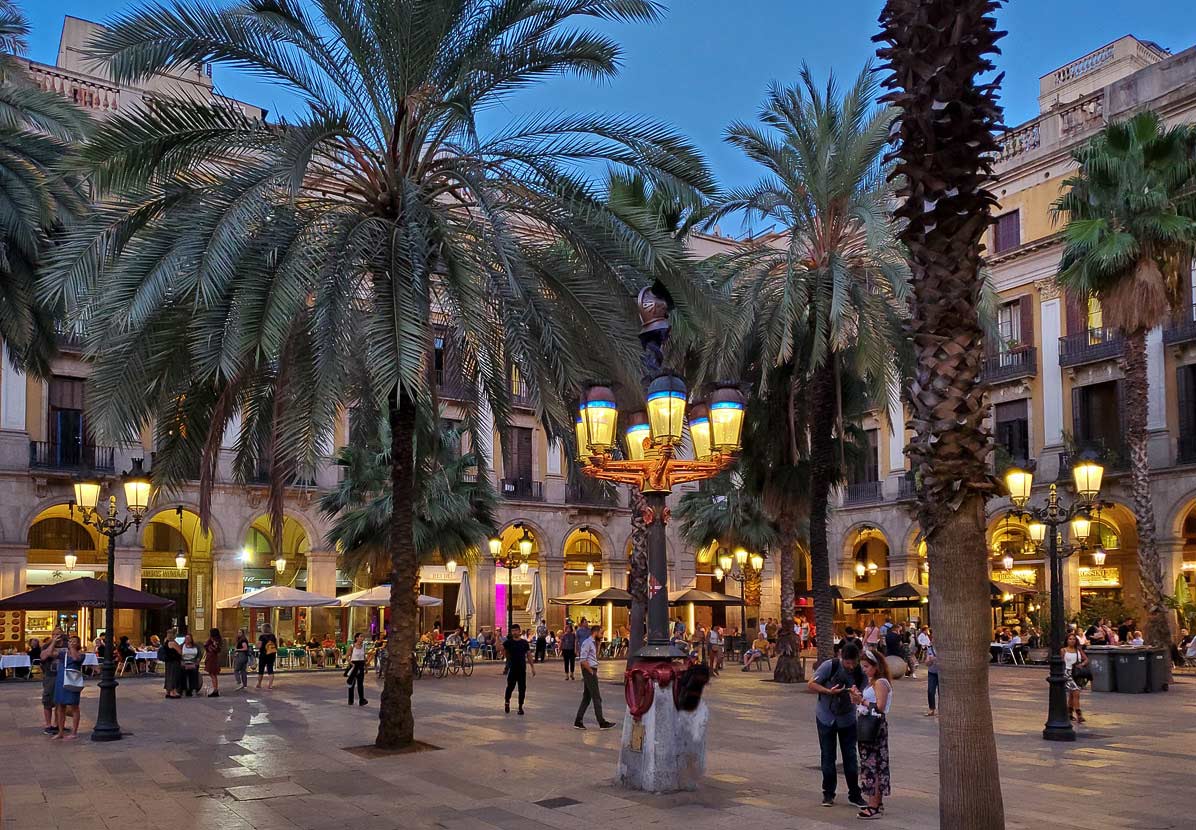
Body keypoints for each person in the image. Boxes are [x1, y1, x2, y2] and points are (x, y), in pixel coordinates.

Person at [807, 642, 866, 809]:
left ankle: (855, 794)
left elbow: (862, 696)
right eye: (848, 663)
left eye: (854, 663)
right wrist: (828, 692)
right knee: (828, 755)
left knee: (850, 756)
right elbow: (811, 684)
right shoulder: (830, 666)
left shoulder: (861, 672)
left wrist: (856, 695)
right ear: (841, 657)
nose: (851, 666)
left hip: (847, 718)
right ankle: (828, 793)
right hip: (826, 717)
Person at [851, 650, 893, 820]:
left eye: (867, 666)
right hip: (868, 724)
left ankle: (873, 805)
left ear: (876, 666)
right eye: (863, 667)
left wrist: (861, 700)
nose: (865, 670)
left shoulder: (881, 683)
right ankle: (876, 802)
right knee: (871, 764)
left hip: (874, 726)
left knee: (873, 765)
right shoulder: (872, 682)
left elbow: (880, 707)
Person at [575, 630, 615, 730]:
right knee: (596, 697)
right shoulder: (587, 643)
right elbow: (583, 660)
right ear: (595, 632)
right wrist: (590, 671)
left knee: (587, 697)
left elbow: (594, 656)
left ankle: (578, 721)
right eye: (601, 633)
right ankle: (601, 722)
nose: (602, 636)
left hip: (591, 669)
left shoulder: (593, 643)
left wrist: (598, 644)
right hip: (589, 670)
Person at [52, 634, 85, 739]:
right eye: (70, 641)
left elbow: (76, 658)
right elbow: (47, 654)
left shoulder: (81, 654)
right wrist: (53, 642)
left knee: (74, 706)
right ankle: (60, 731)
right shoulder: (63, 654)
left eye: (75, 641)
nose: (72, 642)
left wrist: (71, 648)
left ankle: (74, 732)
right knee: (61, 706)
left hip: (73, 682)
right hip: (62, 681)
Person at [503, 624, 534, 715]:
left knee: (522, 688)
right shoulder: (509, 642)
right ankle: (507, 702)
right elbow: (500, 649)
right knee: (510, 687)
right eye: (513, 631)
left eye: (516, 630)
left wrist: (532, 667)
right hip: (512, 668)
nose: (515, 632)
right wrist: (497, 638)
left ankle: (520, 707)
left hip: (522, 669)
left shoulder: (524, 643)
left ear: (519, 631)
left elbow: (528, 655)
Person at [39, 627, 64, 734]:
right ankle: (48, 724)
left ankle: (58, 724)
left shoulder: (67, 645)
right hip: (50, 676)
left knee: (61, 702)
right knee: (48, 700)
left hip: (63, 676)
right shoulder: (46, 645)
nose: (57, 636)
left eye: (59, 634)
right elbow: (44, 656)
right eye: (54, 634)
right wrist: (53, 643)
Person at [1063, 631, 1089, 723]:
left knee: (1072, 694)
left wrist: (1081, 664)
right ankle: (1079, 714)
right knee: (1076, 692)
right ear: (1066, 640)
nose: (1072, 641)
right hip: (1067, 673)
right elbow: (1061, 662)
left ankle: (1069, 713)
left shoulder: (1078, 650)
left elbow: (1086, 659)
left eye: (1074, 639)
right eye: (1070, 639)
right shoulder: (1063, 650)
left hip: (1076, 673)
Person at [346, 633, 367, 706]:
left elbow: (364, 657)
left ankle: (362, 700)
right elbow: (347, 656)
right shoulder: (352, 646)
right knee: (352, 683)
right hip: (354, 665)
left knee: (360, 684)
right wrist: (352, 664)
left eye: (363, 636)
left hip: (361, 665)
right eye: (361, 636)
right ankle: (350, 700)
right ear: (356, 638)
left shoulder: (363, 646)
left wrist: (366, 667)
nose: (362, 638)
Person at [162, 628, 183, 699]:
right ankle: (173, 692)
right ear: (174, 635)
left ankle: (168, 691)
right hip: (174, 661)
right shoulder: (173, 643)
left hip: (168, 662)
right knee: (174, 676)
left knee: (168, 675)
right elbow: (180, 652)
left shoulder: (166, 641)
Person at [257, 624, 278, 689]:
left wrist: (257, 645)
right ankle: (270, 685)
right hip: (271, 654)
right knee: (270, 669)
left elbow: (259, 646)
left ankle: (259, 684)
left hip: (263, 654)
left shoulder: (261, 636)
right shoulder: (273, 636)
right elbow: (276, 645)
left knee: (261, 670)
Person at [203, 628, 223, 697]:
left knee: (212, 674)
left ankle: (215, 690)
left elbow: (209, 647)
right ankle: (215, 689)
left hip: (212, 658)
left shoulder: (214, 640)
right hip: (213, 657)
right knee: (213, 674)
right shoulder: (217, 640)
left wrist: (210, 647)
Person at [924, 629, 939, 716]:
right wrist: (929, 661)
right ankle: (931, 708)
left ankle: (942, 709)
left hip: (941, 673)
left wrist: (936, 659)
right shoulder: (929, 648)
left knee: (942, 692)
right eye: (932, 638)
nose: (933, 640)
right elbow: (927, 663)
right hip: (932, 672)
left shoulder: (943, 649)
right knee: (930, 691)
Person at [180, 633, 201, 697]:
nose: (187, 639)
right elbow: (178, 656)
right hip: (184, 663)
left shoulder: (196, 646)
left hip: (193, 663)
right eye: (186, 638)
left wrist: (196, 662)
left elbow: (199, 656)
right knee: (183, 672)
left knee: (194, 672)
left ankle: (194, 689)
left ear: (191, 639)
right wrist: (183, 663)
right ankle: (183, 690)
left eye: (189, 638)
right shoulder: (181, 646)